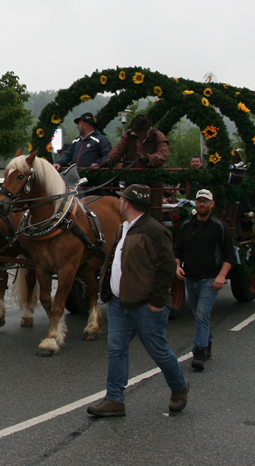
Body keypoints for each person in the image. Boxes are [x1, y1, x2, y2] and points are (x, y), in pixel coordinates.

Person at [87, 184, 189, 417]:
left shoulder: (154, 230)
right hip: (119, 302)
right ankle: (114, 399)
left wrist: (157, 300)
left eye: (122, 199)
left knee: (157, 350)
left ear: (128, 203)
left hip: (145, 304)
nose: (120, 202)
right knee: (116, 349)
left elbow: (167, 267)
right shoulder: (123, 228)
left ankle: (179, 386)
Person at [173, 188, 236, 372]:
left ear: (212, 204)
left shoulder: (218, 227)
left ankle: (199, 352)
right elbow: (178, 249)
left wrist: (221, 276)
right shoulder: (186, 226)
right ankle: (207, 344)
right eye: (199, 201)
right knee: (198, 314)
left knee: (201, 314)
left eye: (205, 201)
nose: (202, 204)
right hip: (190, 278)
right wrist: (177, 266)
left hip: (210, 279)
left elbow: (229, 254)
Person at [96, 114, 170, 170]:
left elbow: (163, 154)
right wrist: (110, 158)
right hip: (131, 175)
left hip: (153, 177)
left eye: (141, 131)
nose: (139, 133)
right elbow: (119, 149)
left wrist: (148, 158)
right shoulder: (129, 135)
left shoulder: (157, 136)